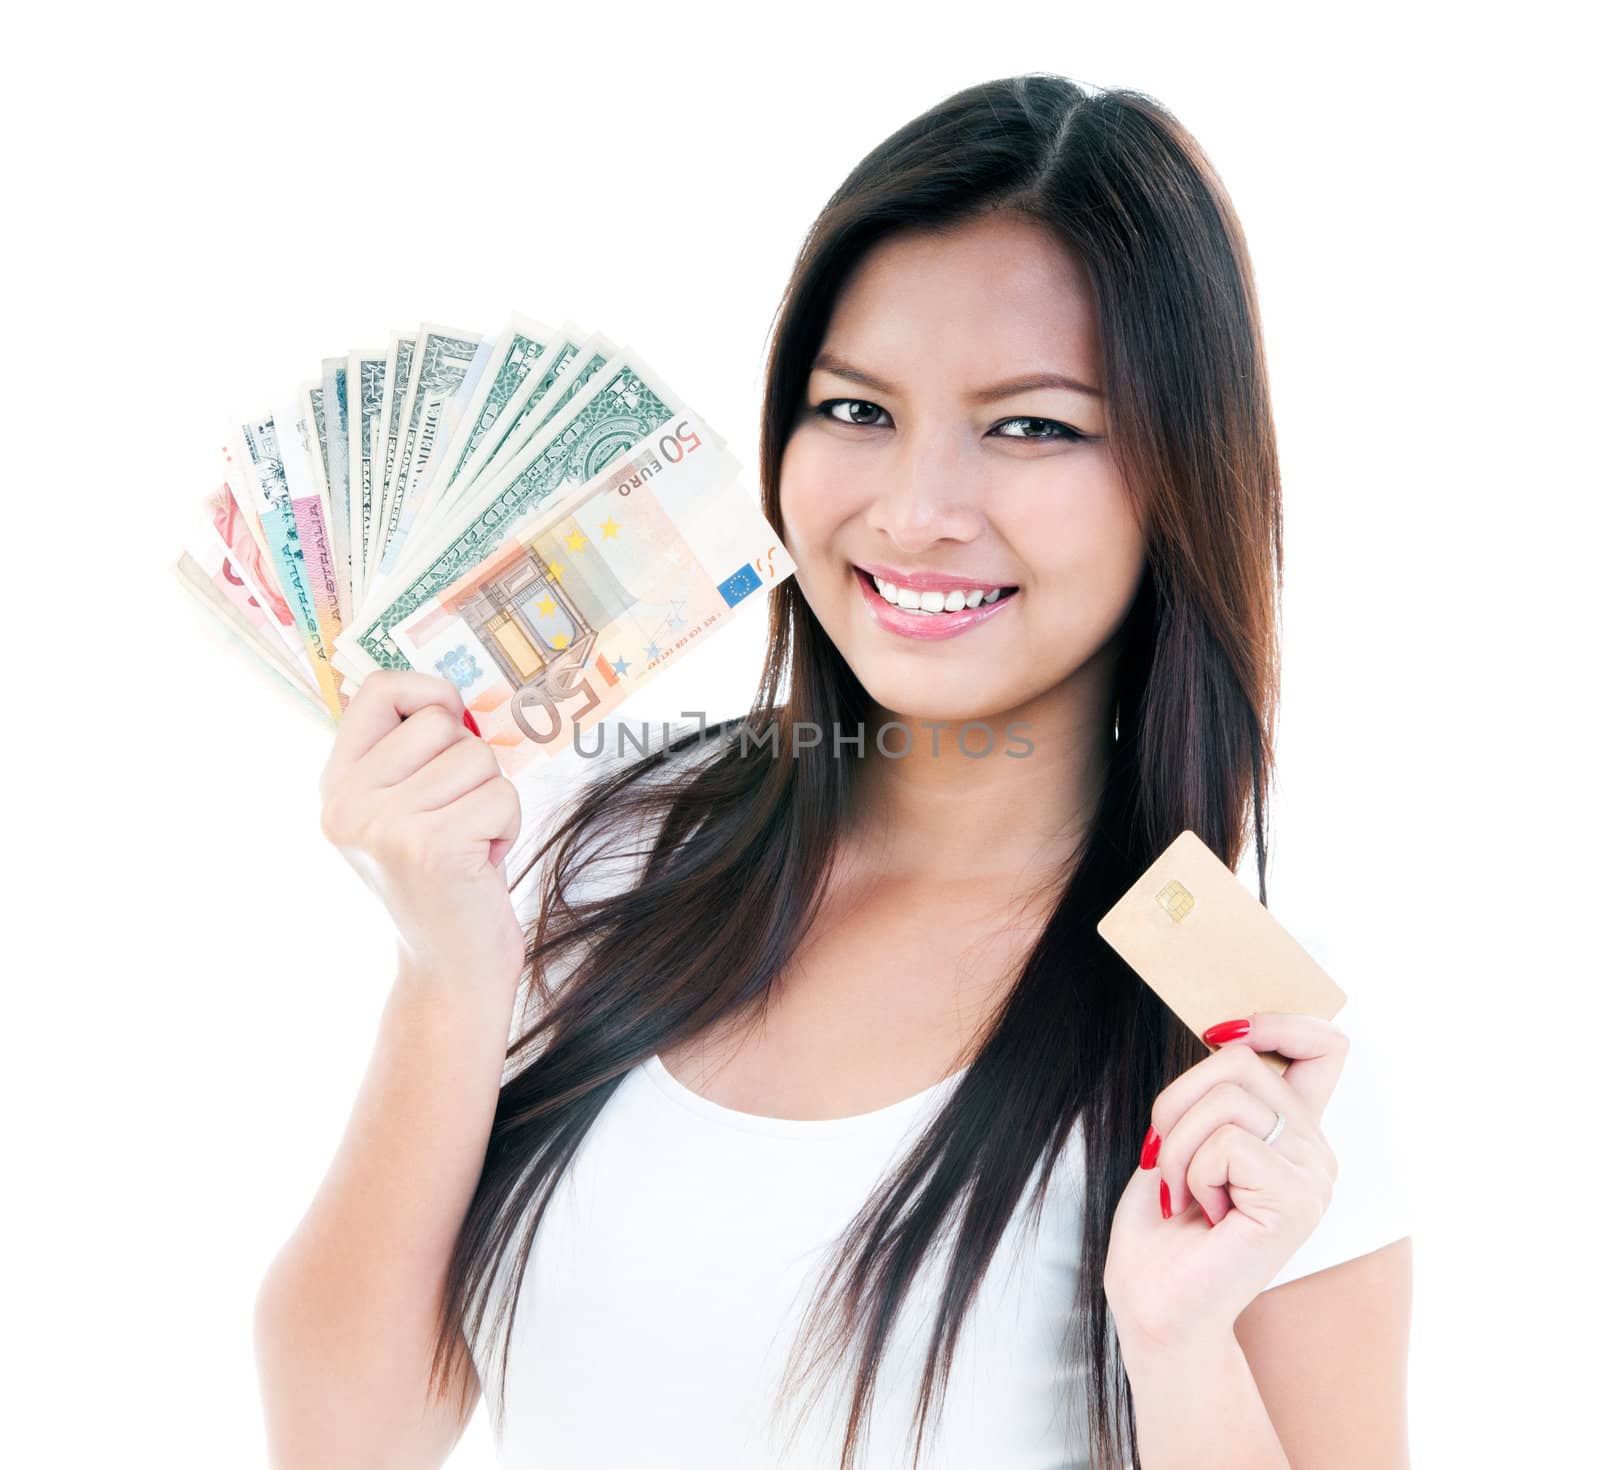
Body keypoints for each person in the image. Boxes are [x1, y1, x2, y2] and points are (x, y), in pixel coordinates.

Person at [253, 73, 1413, 1470]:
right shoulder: (621, 854)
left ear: (1177, 473)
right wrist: (447, 969)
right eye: (856, 409)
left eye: (1032, 424)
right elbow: (346, 1440)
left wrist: (1176, 1345)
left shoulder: (1246, 1021)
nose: (912, 511)